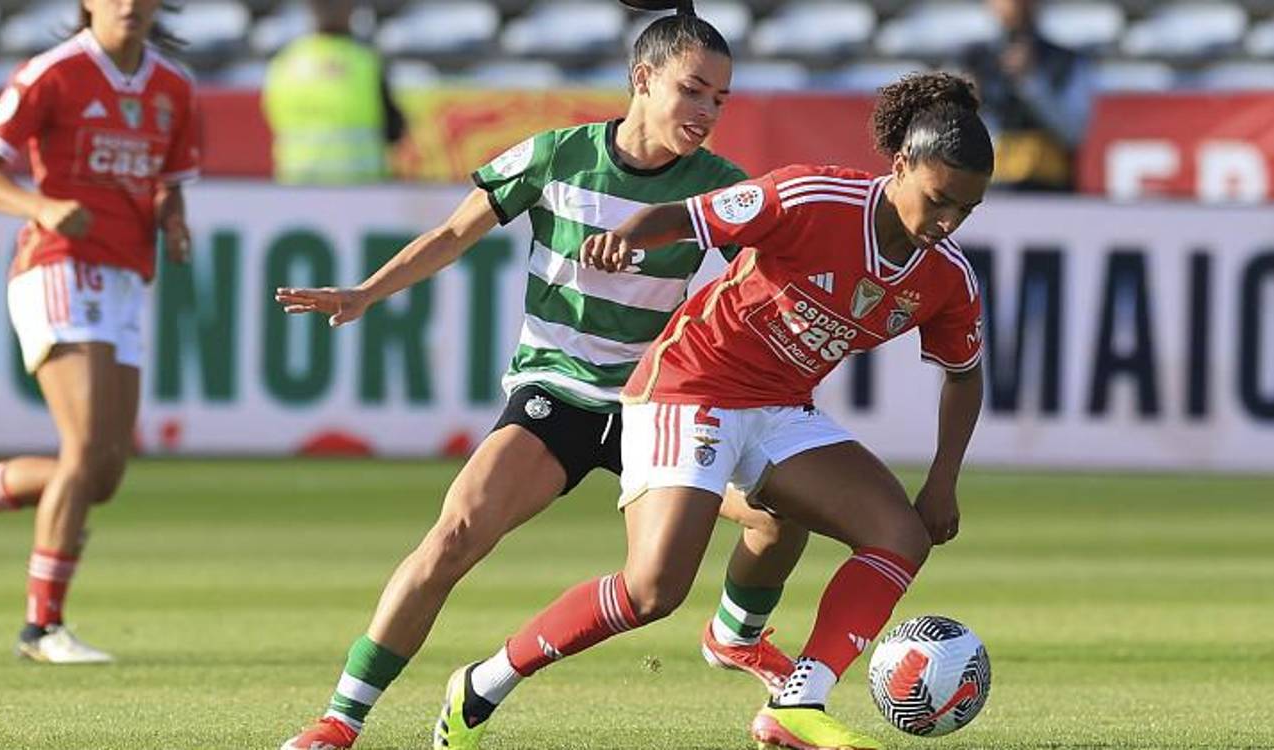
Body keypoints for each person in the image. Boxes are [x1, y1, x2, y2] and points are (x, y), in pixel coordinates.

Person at [272, 5, 809, 749]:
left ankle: (735, 636)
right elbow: (454, 232)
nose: (706, 111)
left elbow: (764, 280)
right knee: (454, 535)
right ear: (642, 79)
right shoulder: (556, 156)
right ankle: (341, 719)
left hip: (658, 410)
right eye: (692, 90)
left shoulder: (717, 185)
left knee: (779, 513)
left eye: (720, 98)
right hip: (555, 393)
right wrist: (367, 291)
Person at [437, 71, 990, 750]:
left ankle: (797, 702)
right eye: (938, 201)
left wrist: (941, 481)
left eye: (965, 210)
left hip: (779, 408)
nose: (946, 223)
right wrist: (632, 235)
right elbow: (691, 214)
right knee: (652, 591)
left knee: (898, 535)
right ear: (900, 166)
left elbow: (963, 376)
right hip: (690, 386)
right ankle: (483, 682)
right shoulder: (811, 196)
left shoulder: (946, 277)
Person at [0, 0, 200, 664]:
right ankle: (40, 629)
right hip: (58, 268)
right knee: (80, 453)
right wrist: (43, 206)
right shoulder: (53, 72)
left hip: (126, 277)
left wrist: (170, 218)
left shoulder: (173, 87)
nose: (129, 4)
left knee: (99, 475)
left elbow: (167, 180)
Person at [262, 0, 407, 184]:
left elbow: (271, 117)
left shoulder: (285, 63)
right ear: (349, 9)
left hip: (298, 187)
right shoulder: (365, 62)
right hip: (360, 191)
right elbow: (395, 129)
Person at [963, 0, 1094, 191]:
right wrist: (967, 106)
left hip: (1049, 188)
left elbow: (1074, 132)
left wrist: (1031, 82)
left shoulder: (1066, 60)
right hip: (989, 189)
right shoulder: (971, 59)